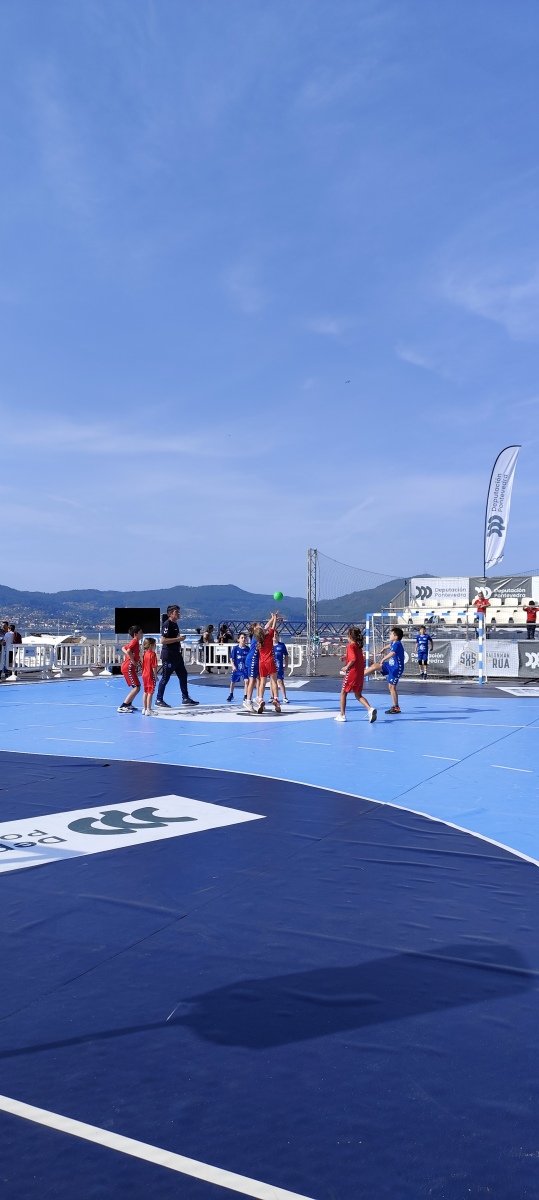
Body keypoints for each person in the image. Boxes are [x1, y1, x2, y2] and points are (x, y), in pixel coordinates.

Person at [156, 605, 199, 708]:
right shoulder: (167, 624)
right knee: (165, 677)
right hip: (169, 655)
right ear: (171, 614)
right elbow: (163, 640)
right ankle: (159, 699)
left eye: (179, 612)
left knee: (183, 675)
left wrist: (178, 639)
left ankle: (185, 698)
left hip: (177, 655)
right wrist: (178, 639)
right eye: (177, 612)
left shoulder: (175, 624)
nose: (179, 614)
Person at [335, 627, 377, 723]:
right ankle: (370, 709)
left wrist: (346, 667)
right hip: (359, 674)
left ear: (350, 636)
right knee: (358, 695)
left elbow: (353, 659)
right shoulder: (358, 647)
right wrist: (345, 657)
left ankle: (342, 714)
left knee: (343, 692)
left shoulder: (350, 646)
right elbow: (357, 658)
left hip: (352, 673)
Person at [365, 625, 405, 714]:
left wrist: (383, 659)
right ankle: (359, 675)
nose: (390, 635)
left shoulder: (397, 644)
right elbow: (390, 645)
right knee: (375, 666)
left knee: (391, 687)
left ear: (396, 636)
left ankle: (396, 707)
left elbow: (392, 653)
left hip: (396, 668)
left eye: (391, 634)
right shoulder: (393, 643)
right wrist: (383, 648)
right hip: (390, 665)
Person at [256, 613, 281, 714]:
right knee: (274, 681)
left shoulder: (258, 640)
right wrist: (275, 618)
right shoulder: (269, 636)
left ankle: (260, 699)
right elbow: (273, 627)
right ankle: (276, 699)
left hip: (261, 663)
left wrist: (272, 618)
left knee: (262, 682)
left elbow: (267, 627)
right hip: (270, 660)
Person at [118, 625, 143, 712]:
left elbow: (124, 648)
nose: (142, 634)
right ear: (136, 634)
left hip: (129, 667)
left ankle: (128, 704)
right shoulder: (134, 642)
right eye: (140, 632)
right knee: (136, 687)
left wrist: (131, 656)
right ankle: (123, 705)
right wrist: (132, 660)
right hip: (128, 667)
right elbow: (128, 650)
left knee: (137, 686)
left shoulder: (134, 642)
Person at [227, 632, 249, 703]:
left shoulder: (248, 649)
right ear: (238, 639)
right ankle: (231, 694)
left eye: (244, 638)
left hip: (245, 669)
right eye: (242, 638)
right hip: (237, 668)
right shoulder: (235, 648)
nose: (243, 639)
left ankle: (245, 695)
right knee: (233, 681)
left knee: (246, 681)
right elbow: (231, 658)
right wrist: (233, 665)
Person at [244, 623, 261, 711]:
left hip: (257, 660)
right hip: (252, 660)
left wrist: (274, 620)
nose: (260, 626)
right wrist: (273, 619)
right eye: (259, 625)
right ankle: (248, 701)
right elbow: (266, 628)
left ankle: (258, 697)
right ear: (254, 628)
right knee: (252, 680)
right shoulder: (255, 635)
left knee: (259, 679)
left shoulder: (260, 635)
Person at [141, 637, 159, 715]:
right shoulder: (153, 654)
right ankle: (149, 709)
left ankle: (144, 708)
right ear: (151, 645)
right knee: (150, 692)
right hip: (150, 675)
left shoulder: (145, 653)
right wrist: (155, 675)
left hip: (144, 674)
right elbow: (154, 666)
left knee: (145, 691)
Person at [273, 629, 289, 704]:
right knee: (272, 681)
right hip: (271, 666)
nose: (274, 636)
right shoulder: (269, 645)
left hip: (279, 666)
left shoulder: (281, 645)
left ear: (278, 636)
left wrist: (286, 665)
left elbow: (286, 655)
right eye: (273, 635)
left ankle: (284, 697)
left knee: (280, 681)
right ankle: (272, 696)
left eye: (276, 635)